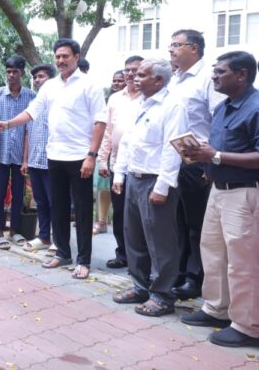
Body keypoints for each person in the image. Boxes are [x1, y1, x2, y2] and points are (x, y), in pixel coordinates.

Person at [0, 39, 106, 280]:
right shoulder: (50, 87)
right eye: (58, 57)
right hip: (54, 155)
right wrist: (7, 124)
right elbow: (32, 112)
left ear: (76, 57)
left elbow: (100, 122)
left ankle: (84, 260)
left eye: (65, 56)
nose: (61, 61)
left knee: (84, 209)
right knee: (59, 207)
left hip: (80, 157)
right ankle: (63, 252)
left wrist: (91, 156)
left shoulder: (89, 85)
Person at [180, 51, 259, 348]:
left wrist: (215, 156)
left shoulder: (256, 107)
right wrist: (207, 161)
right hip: (218, 188)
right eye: (213, 71)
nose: (213, 76)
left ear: (241, 75)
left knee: (243, 262)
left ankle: (249, 325)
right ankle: (217, 309)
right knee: (212, 251)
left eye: (220, 72)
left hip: (245, 192)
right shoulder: (224, 107)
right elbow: (219, 147)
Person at [110, 59, 187, 317]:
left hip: (155, 181)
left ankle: (162, 295)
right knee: (134, 237)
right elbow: (128, 143)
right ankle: (140, 286)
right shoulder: (139, 104)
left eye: (142, 75)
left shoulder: (173, 106)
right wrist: (119, 175)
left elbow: (172, 148)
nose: (135, 78)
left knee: (160, 241)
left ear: (159, 80)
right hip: (133, 177)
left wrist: (163, 186)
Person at [167, 29, 225, 300]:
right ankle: (178, 272)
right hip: (172, 160)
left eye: (176, 45)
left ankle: (195, 278)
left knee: (196, 224)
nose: (171, 49)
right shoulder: (174, 80)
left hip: (197, 162)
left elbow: (220, 120)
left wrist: (210, 164)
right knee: (176, 221)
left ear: (193, 48)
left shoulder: (207, 79)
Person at [97, 56, 143, 268]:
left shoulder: (150, 97)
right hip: (117, 167)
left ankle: (142, 260)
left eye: (135, 70)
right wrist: (102, 160)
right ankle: (122, 253)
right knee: (120, 214)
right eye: (127, 70)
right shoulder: (115, 98)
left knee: (141, 217)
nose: (130, 74)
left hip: (143, 168)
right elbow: (108, 132)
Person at [0, 55, 36, 249]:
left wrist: (26, 159)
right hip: (1, 153)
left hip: (20, 156)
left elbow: (29, 130)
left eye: (15, 71)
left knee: (18, 194)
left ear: (22, 73)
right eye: (8, 71)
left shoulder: (30, 96)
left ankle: (14, 231)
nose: (11, 75)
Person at [22, 64, 56, 254]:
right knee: (41, 202)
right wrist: (26, 160)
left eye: (40, 77)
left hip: (52, 162)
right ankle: (44, 236)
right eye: (35, 77)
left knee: (55, 203)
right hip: (35, 161)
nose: (37, 80)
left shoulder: (57, 102)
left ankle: (58, 240)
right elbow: (28, 133)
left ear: (50, 79)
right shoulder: (33, 104)